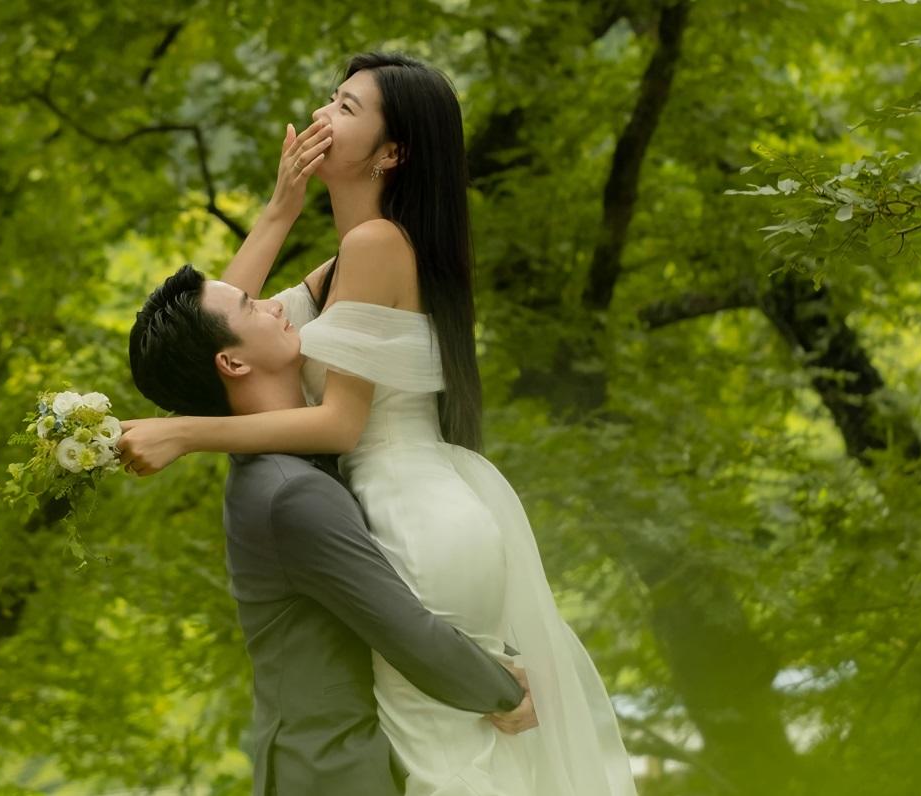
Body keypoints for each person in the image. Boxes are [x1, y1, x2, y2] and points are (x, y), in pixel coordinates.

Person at [119, 52, 637, 795]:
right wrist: (280, 207)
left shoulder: (374, 246)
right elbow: (216, 336)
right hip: (428, 503)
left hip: (410, 512)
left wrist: (184, 434)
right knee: (461, 755)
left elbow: (335, 423)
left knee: (445, 765)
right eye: (330, 98)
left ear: (392, 153)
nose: (324, 116)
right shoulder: (346, 263)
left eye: (349, 109)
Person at [127, 265, 537, 796]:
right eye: (253, 306)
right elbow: (403, 628)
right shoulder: (289, 492)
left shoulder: (280, 468)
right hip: (333, 770)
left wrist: (286, 208)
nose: (276, 306)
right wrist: (508, 692)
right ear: (230, 362)